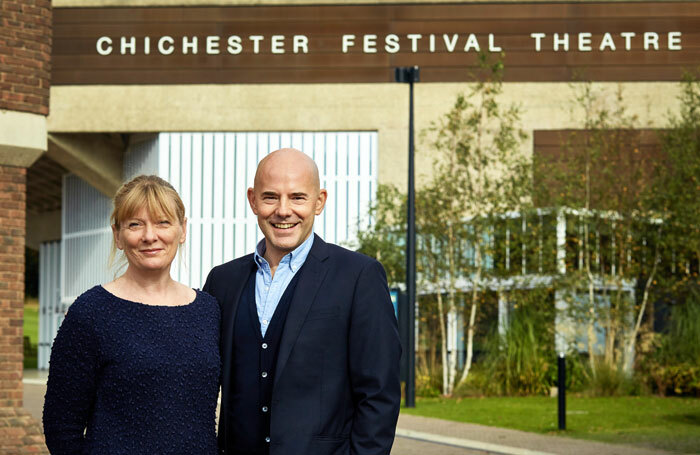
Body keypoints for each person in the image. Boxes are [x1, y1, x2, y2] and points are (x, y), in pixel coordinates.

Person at [204, 148, 401, 455]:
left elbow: (378, 393)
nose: (283, 210)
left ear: (319, 201)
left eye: (297, 197)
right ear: (252, 200)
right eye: (270, 197)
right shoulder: (222, 281)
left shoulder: (359, 277)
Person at [43, 175, 220, 455]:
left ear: (182, 229)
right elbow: (61, 427)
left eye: (163, 222)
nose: (150, 236)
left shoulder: (207, 310)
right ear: (118, 234)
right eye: (135, 224)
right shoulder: (91, 312)